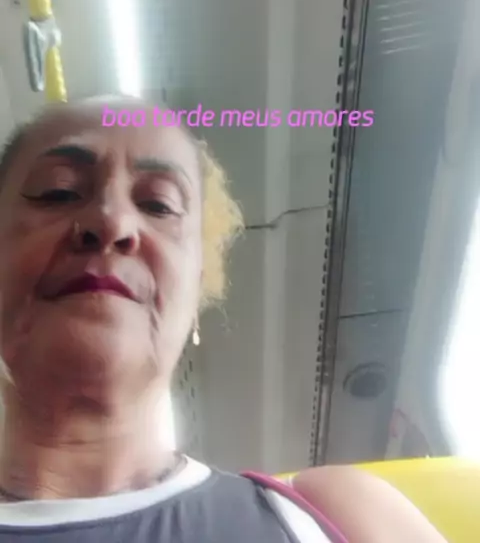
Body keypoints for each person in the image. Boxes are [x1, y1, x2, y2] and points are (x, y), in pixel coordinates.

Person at [0, 95, 447, 542]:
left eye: (159, 204)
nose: (113, 221)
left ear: (195, 294)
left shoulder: (341, 515)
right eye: (58, 191)